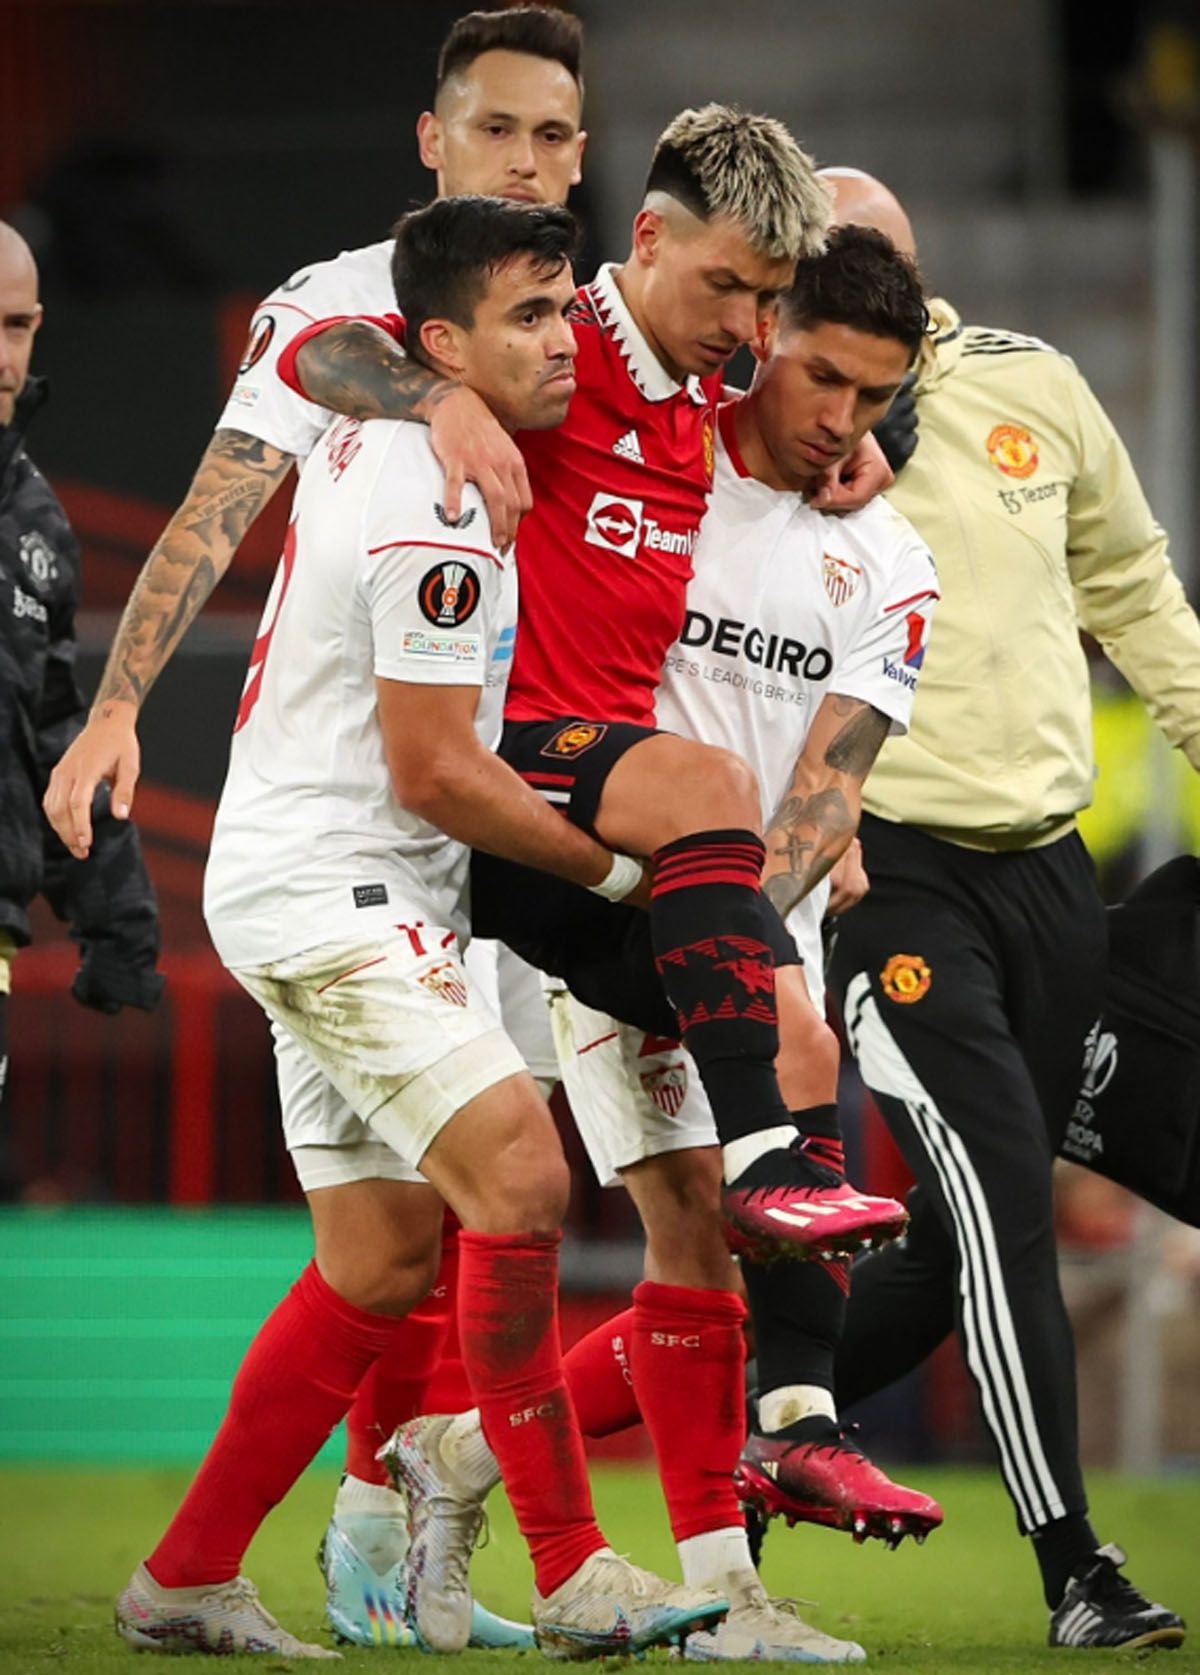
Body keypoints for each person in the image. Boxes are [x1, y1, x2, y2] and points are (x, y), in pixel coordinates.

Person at [115, 194, 730, 1662]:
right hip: (344, 875)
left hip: (320, 870)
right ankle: (577, 1563)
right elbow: (435, 769)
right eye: (529, 317)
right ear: (444, 342)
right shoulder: (439, 492)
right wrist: (619, 883)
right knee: (519, 1167)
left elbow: (335, 347)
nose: (565, 337)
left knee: (385, 1256)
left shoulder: (413, 431)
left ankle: (187, 1575)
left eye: (565, 305)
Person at [46, 8, 593, 1651]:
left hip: (478, 839)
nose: (528, 160)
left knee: (388, 1250)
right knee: (504, 1186)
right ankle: (507, 1558)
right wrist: (123, 699)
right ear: (434, 142)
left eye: (556, 136)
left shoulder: (583, 323)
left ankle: (230, 1574)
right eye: (496, 131)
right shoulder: (347, 304)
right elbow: (246, 461)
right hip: (359, 832)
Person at [386, 223, 945, 1666]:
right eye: (821, 373)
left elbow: (828, 788)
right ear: (766, 334)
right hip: (620, 898)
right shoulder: (661, 460)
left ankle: (458, 1456)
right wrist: (438, 393)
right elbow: (367, 351)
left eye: (874, 400)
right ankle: (729, 1586)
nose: (839, 420)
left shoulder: (889, 556)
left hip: (753, 931)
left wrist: (764, 933)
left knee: (716, 1259)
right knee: (697, 1232)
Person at [816, 169, 1192, 1651]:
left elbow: (1135, 582)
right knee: (1004, 1197)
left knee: (943, 1237)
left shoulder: (1030, 386)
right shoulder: (784, 418)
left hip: (1053, 873)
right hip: (890, 868)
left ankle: (724, 1410)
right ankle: (1076, 1566)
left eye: (885, 276)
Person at [0, 219, 162, 1163]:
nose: (3, 356)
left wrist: (118, 918)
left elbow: (56, 725)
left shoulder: (36, 524)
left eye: (17, 326)